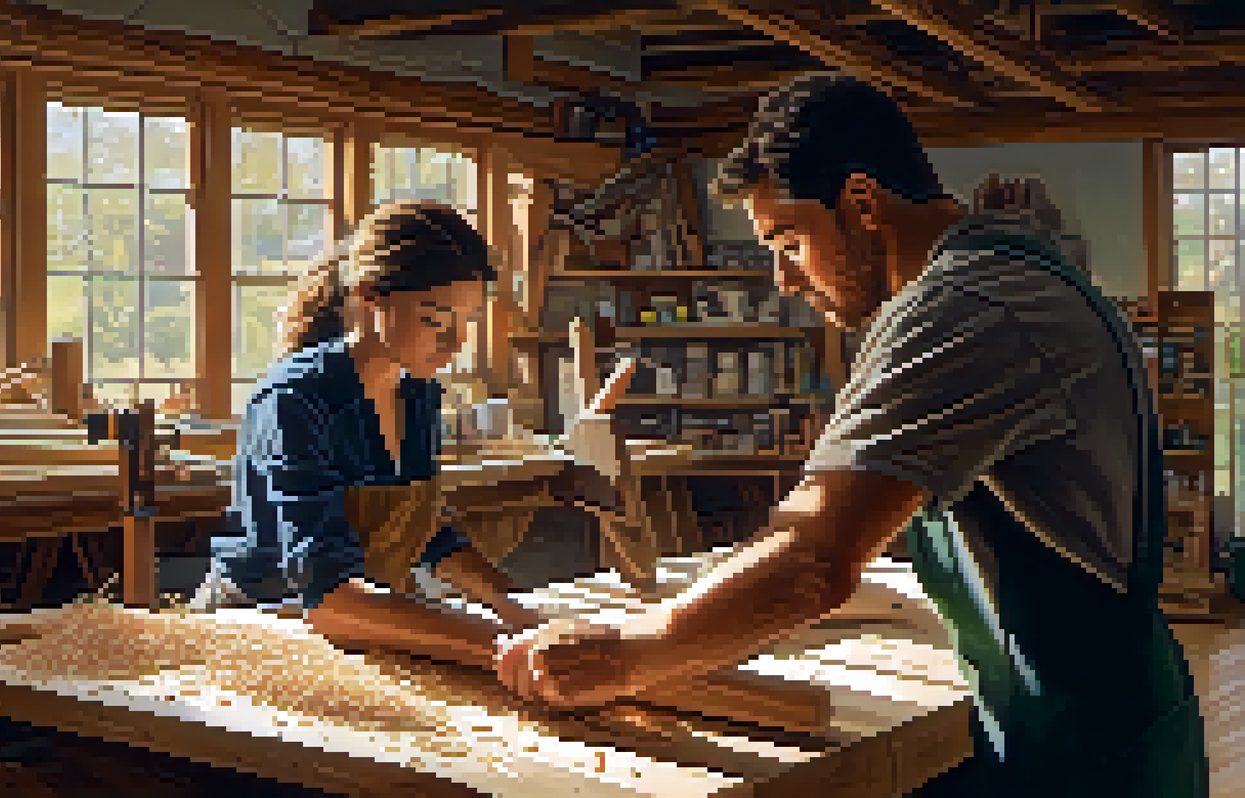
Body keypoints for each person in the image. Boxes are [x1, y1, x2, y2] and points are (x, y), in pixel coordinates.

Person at [493, 72, 1208, 797]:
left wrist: (625, 653)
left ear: (862, 203)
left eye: (789, 241)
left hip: (1079, 749)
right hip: (1103, 716)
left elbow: (813, 558)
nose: (786, 280)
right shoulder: (1019, 269)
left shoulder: (962, 306)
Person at [194, 199, 543, 669]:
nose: (455, 342)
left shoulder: (419, 396)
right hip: (267, 623)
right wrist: (503, 646)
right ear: (367, 297)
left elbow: (423, 535)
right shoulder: (295, 399)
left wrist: (518, 608)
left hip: (366, 616)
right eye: (434, 319)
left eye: (467, 322)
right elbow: (328, 594)